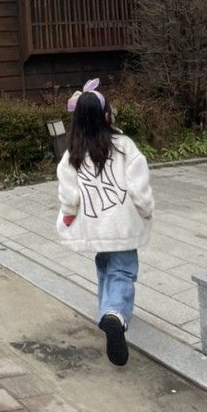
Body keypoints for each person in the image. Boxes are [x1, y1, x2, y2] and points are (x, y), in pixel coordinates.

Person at [56, 78, 154, 366]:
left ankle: (107, 311)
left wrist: (69, 213)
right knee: (123, 271)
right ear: (106, 115)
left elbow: (69, 193)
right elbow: (139, 188)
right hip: (123, 225)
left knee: (105, 265)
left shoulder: (73, 152)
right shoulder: (124, 146)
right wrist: (146, 210)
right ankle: (115, 315)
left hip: (95, 225)